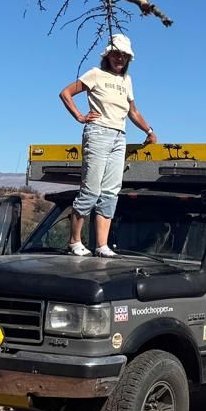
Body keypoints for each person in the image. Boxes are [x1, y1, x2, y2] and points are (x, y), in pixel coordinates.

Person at [58, 33, 157, 257]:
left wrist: (148, 130)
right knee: (91, 189)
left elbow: (133, 111)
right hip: (98, 132)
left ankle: (102, 245)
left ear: (128, 59)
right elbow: (66, 93)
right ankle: (75, 241)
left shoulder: (126, 81)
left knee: (111, 191)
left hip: (119, 136)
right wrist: (80, 116)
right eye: (116, 54)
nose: (119, 58)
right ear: (108, 55)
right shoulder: (95, 74)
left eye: (124, 55)